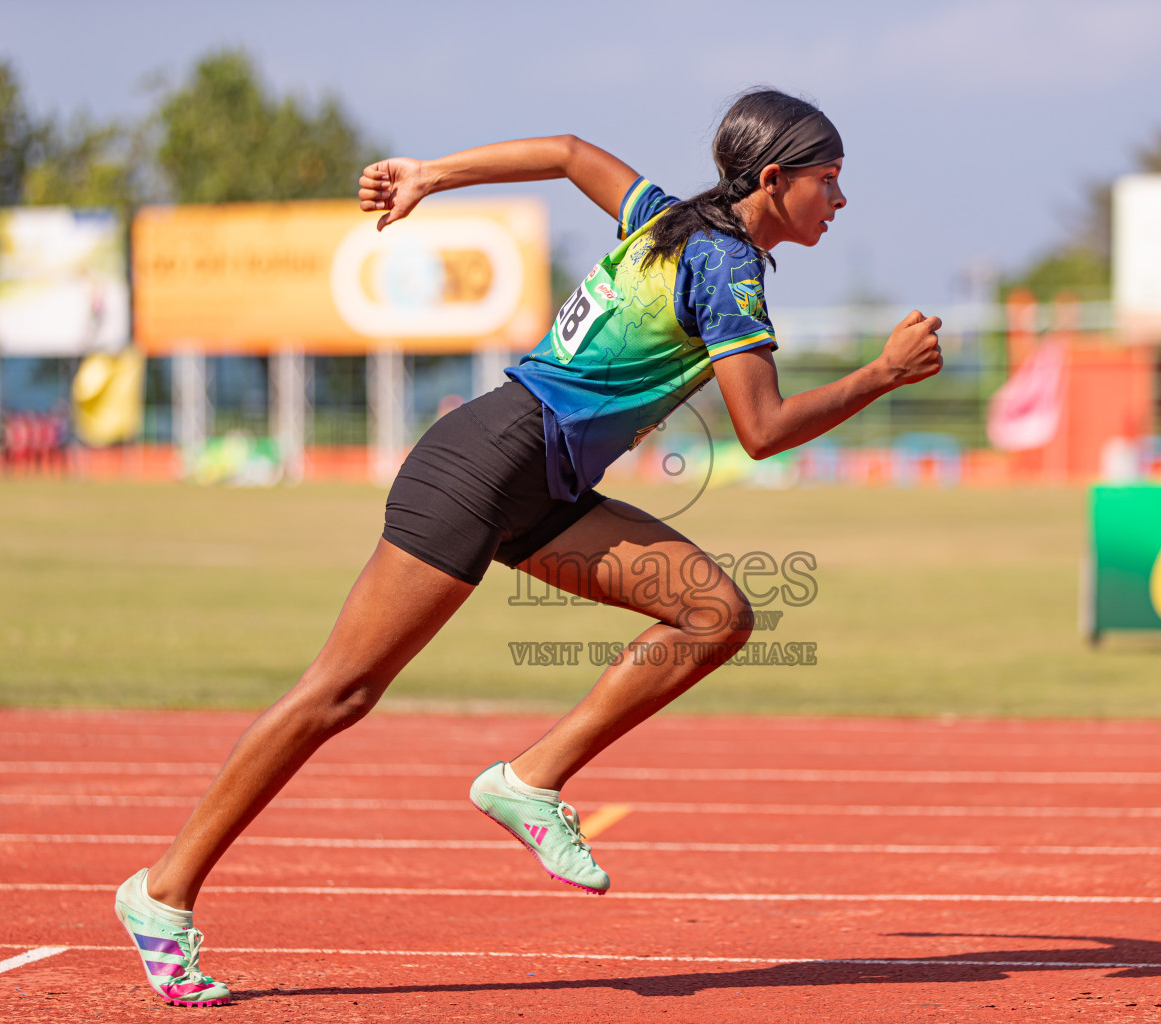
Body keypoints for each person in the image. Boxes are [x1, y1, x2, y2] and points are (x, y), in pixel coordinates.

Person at [113, 88, 943, 1008]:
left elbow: (568, 150)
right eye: (829, 181)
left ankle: (530, 779)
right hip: (483, 466)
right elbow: (761, 428)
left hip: (539, 483)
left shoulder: (668, 221)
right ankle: (161, 892)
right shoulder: (726, 267)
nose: (839, 200)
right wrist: (881, 375)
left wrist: (434, 173)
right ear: (776, 179)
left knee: (714, 612)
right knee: (338, 693)